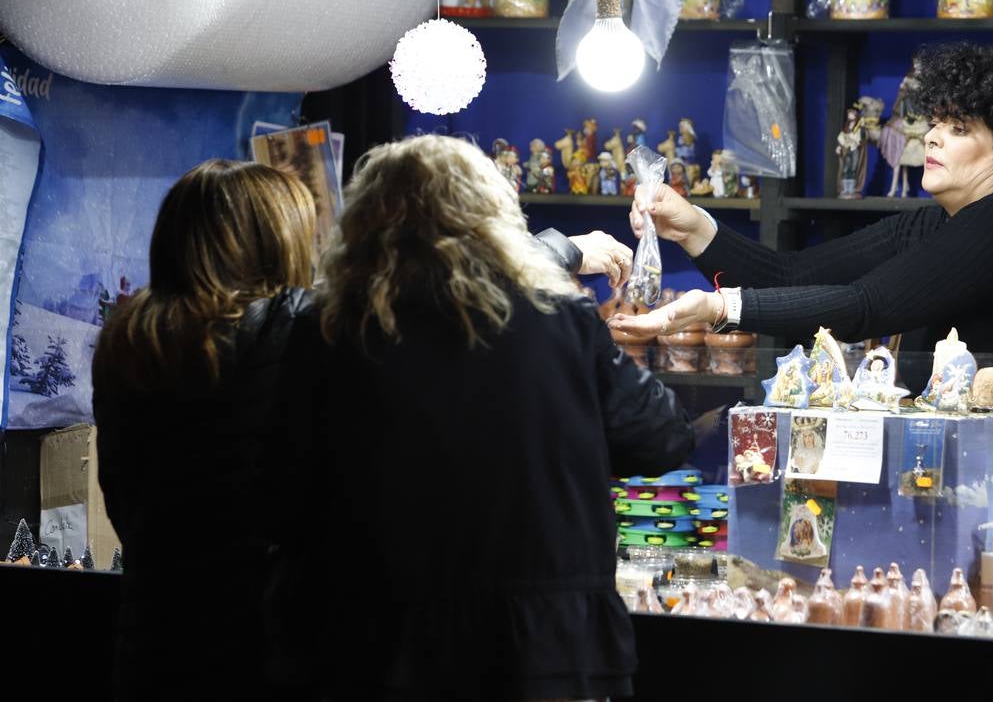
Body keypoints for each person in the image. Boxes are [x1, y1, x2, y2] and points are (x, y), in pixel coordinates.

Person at [275, 135, 693, 700]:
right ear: (493, 220)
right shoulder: (558, 319)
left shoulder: (321, 329)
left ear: (364, 224)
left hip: (370, 643)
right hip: (546, 648)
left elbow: (283, 479)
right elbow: (662, 436)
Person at [610, 40, 993, 472]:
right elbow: (790, 273)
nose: (934, 137)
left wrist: (719, 309)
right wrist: (693, 226)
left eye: (959, 128)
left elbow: (866, 306)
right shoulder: (933, 223)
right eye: (936, 122)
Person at [92, 160, 318, 697]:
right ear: (276, 241)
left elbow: (120, 499)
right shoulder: (296, 327)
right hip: (265, 648)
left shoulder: (125, 342)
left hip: (153, 640)